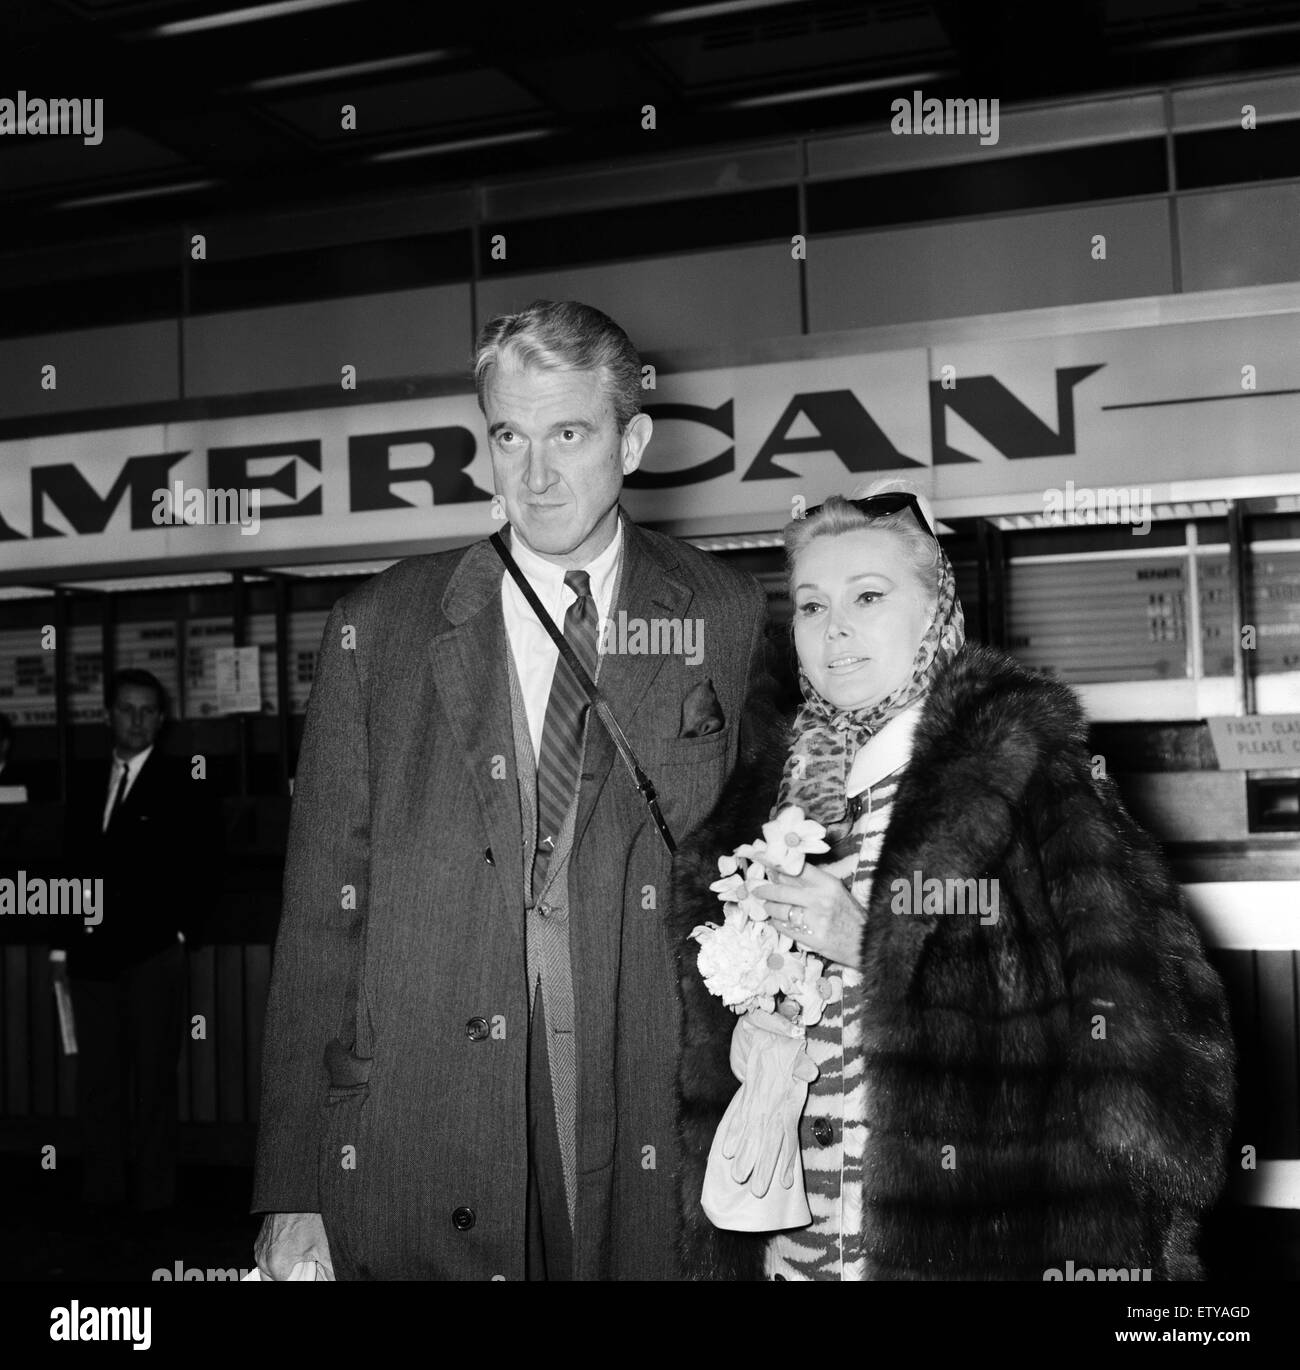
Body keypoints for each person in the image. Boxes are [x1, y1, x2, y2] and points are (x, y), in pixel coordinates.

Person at [252, 300, 777, 1281]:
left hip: (646, 1109)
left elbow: (760, 870)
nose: (533, 476)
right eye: (507, 435)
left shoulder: (726, 610)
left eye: (568, 434)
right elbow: (323, 917)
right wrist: (295, 1183)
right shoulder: (382, 626)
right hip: (424, 1111)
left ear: (633, 441)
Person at [671, 487, 1235, 1280]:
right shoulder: (763, 800)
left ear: (937, 609)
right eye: (809, 605)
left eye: (869, 596)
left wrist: (869, 947)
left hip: (966, 1233)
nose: (835, 628)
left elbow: (1142, 1030)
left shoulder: (1025, 777)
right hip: (786, 1236)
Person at [52, 668, 213, 1216]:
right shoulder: (85, 779)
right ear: (107, 715)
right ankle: (102, 1195)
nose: (137, 720)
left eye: (147, 711)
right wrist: (61, 946)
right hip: (91, 956)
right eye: (127, 709)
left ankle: (154, 1202)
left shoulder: (181, 781)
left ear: (161, 720)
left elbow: (199, 866)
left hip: (151, 955)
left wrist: (181, 933)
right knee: (98, 1081)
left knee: (152, 1083)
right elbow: (69, 865)